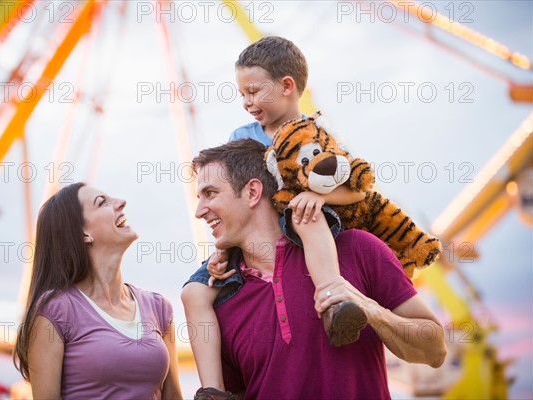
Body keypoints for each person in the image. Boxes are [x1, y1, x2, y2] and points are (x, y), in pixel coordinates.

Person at [181, 36, 367, 398]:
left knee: (304, 216)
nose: (247, 102)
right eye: (242, 94)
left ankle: (333, 301)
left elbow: (357, 187)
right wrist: (220, 253)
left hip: (304, 219)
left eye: (253, 91)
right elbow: (234, 199)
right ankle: (213, 390)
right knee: (193, 293)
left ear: (287, 86)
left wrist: (316, 194)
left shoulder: (319, 134)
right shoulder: (242, 137)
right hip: (253, 233)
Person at [189, 139, 447, 399]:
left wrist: (373, 311)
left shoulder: (358, 249)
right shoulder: (220, 302)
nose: (199, 211)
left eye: (210, 194)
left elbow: (436, 350)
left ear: (253, 192)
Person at [13, 183, 182, 400]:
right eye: (102, 202)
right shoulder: (55, 310)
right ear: (83, 233)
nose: (121, 202)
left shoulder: (159, 308)